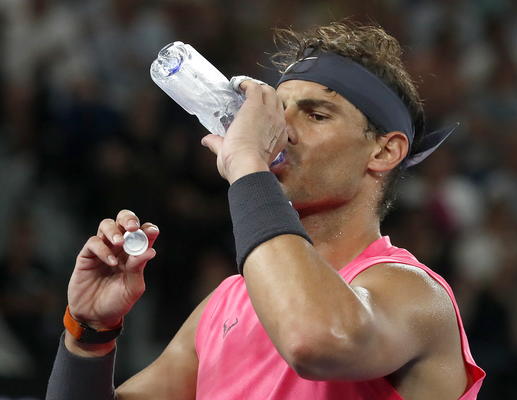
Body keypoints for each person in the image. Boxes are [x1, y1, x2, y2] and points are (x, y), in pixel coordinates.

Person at [47, 21, 485, 400]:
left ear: (384, 151)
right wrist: (89, 334)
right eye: (279, 110)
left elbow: (315, 340)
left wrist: (246, 163)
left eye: (316, 115)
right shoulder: (227, 301)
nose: (279, 131)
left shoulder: (415, 295)